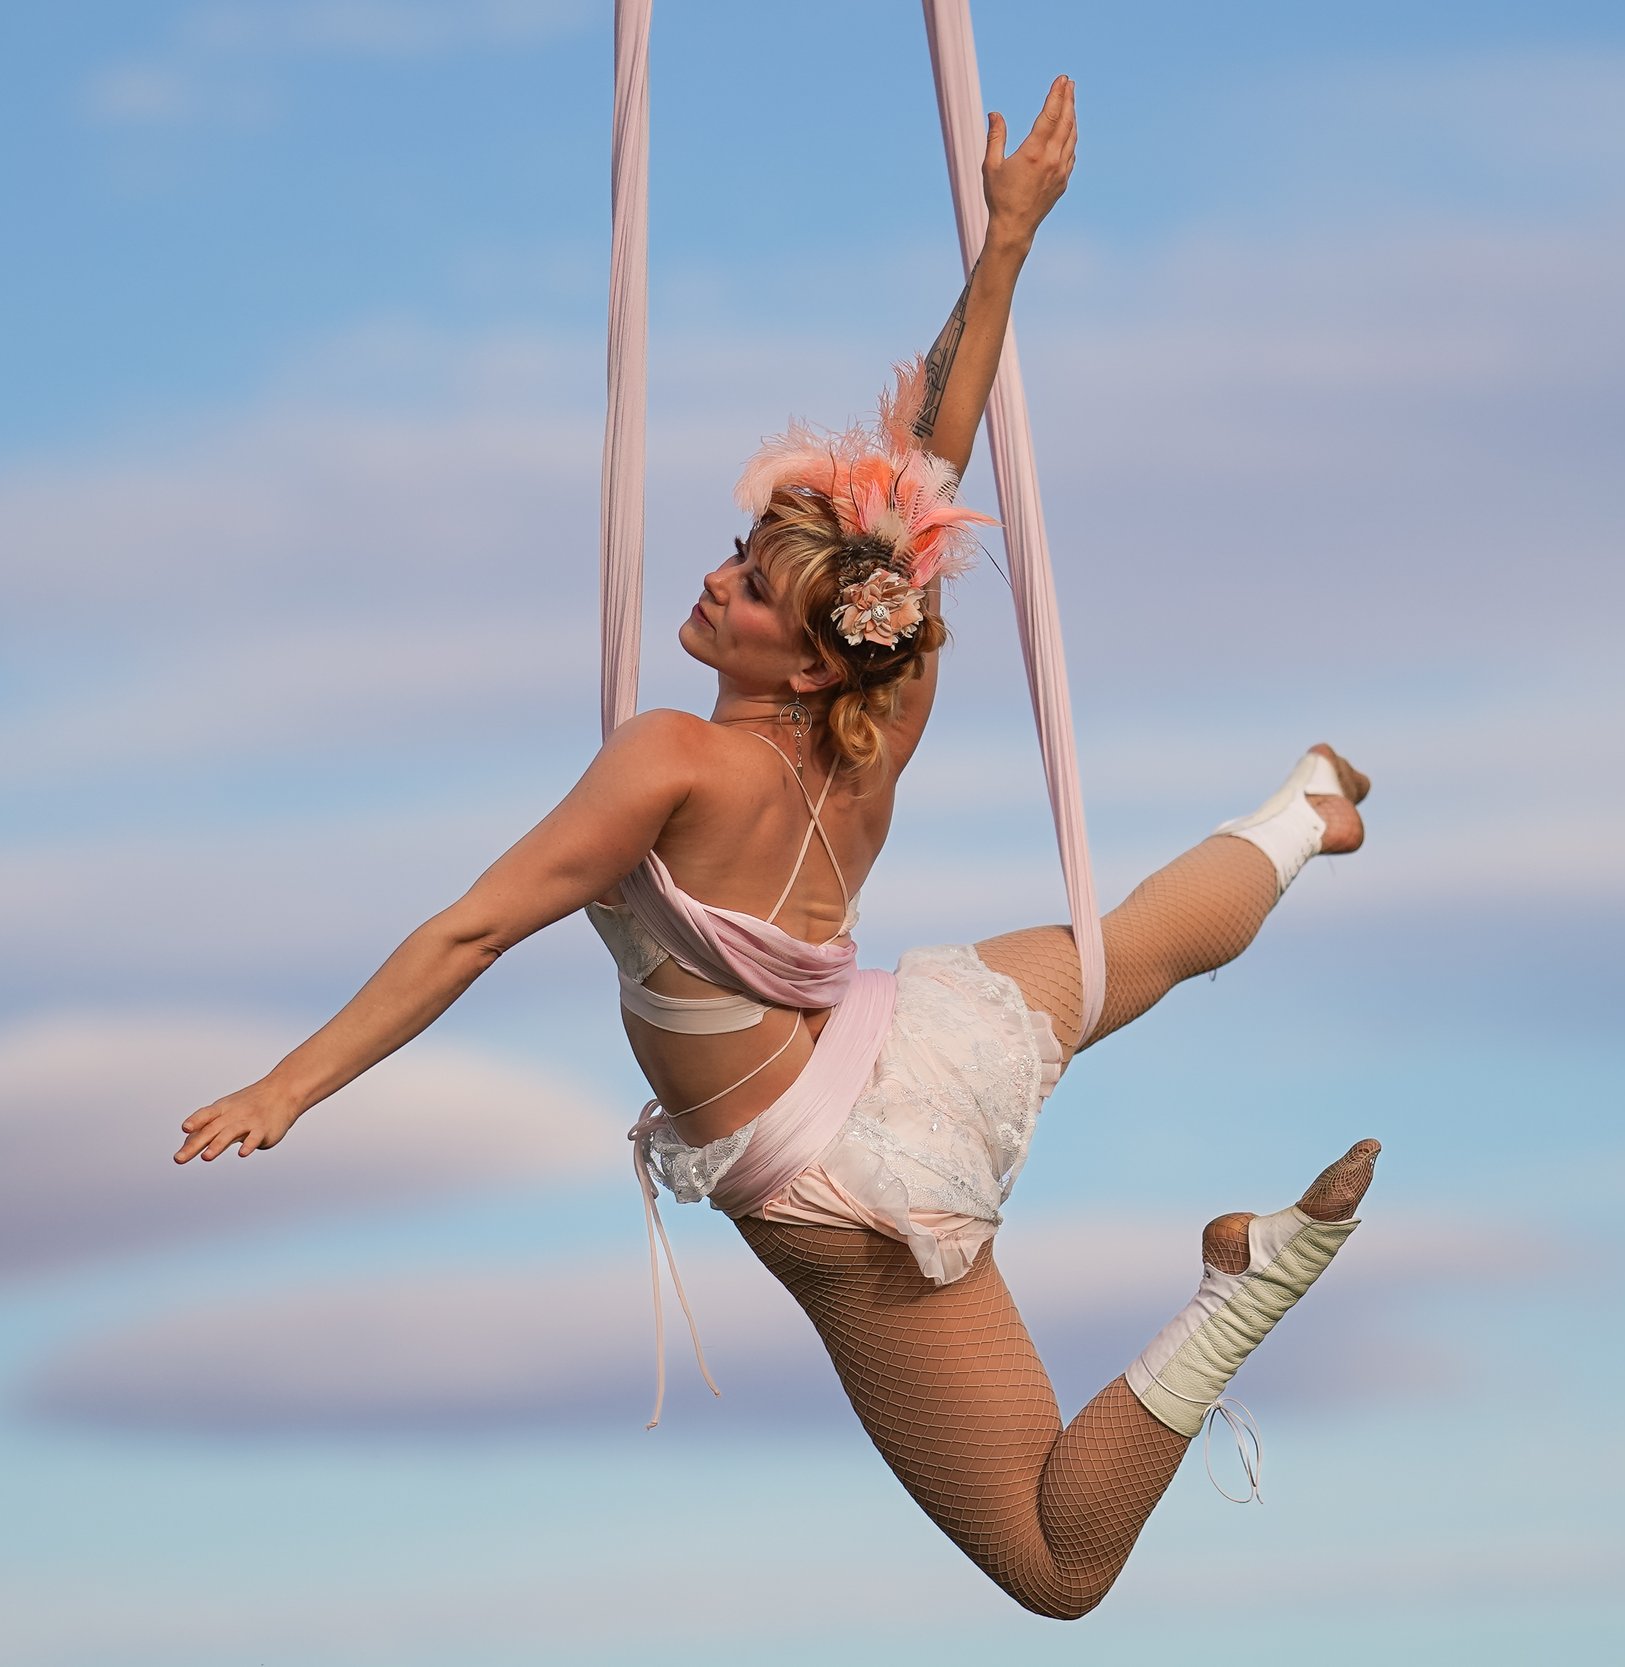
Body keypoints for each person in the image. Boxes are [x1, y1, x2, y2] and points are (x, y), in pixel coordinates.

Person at [175, 75, 1379, 1620]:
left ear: (809, 659)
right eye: (740, 557)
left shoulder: (668, 760)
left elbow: (473, 933)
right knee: (1128, 948)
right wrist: (1007, 236)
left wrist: (294, 1084)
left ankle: (1251, 1280)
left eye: (744, 588)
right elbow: (925, 466)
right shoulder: (880, 709)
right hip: (904, 1042)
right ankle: (1307, 810)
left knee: (1055, 1563)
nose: (712, 584)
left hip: (830, 1169)